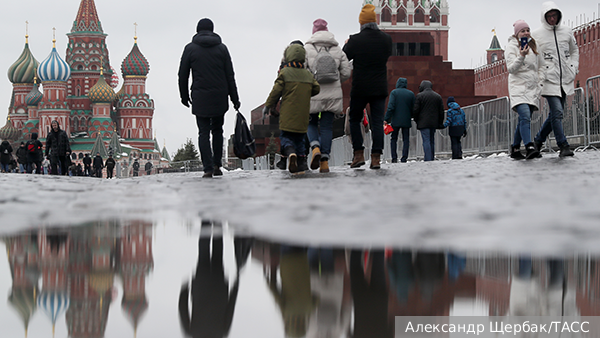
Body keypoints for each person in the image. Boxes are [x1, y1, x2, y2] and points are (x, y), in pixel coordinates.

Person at [178, 18, 241, 178]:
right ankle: (217, 164)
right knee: (218, 131)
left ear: (197, 30)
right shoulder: (222, 49)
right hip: (220, 96)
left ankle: (207, 168)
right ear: (212, 30)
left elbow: (182, 75)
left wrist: (184, 96)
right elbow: (230, 76)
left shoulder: (190, 49)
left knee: (203, 132)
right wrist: (235, 98)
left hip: (200, 96)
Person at [343, 4, 392, 169]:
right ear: (374, 21)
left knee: (355, 119)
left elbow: (344, 57)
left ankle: (358, 154)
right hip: (379, 87)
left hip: (360, 87)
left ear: (361, 22)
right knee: (377, 121)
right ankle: (376, 158)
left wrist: (348, 45)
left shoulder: (355, 40)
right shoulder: (386, 39)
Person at [263, 43, 320, 174]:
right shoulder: (307, 74)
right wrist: (305, 92)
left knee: (285, 137)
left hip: (287, 114)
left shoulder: (285, 73)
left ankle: (290, 152)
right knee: (300, 140)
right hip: (303, 115)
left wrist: (268, 105)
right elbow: (316, 88)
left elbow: (276, 91)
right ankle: (300, 164)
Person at [305, 18, 352, 173]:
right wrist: (335, 80)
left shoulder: (307, 48)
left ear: (314, 32)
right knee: (326, 127)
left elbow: (303, 71)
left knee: (310, 123)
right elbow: (346, 72)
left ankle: (315, 147)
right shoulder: (337, 49)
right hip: (333, 95)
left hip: (313, 94)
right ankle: (324, 162)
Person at [532, 2, 579, 157]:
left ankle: (538, 140)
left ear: (559, 15)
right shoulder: (537, 34)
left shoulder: (567, 32)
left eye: (554, 15)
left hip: (564, 79)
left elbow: (574, 50)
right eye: (549, 16)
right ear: (544, 17)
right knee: (557, 111)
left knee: (555, 114)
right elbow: (533, 56)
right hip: (548, 80)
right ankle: (563, 145)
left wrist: (573, 66)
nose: (552, 19)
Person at [507, 20, 544, 160]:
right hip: (518, 87)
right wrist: (521, 55)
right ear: (517, 34)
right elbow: (511, 68)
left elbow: (541, 66)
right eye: (522, 31)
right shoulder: (512, 47)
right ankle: (529, 146)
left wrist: (540, 84)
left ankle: (515, 148)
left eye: (528, 30)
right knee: (524, 115)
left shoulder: (534, 46)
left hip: (532, 88)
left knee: (525, 118)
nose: (526, 33)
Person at [384, 77, 415, 163]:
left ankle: (394, 158)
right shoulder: (411, 94)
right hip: (406, 120)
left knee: (394, 139)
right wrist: (411, 116)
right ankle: (404, 158)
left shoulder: (394, 93)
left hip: (395, 120)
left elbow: (390, 107)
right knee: (406, 139)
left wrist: (386, 118)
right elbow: (414, 108)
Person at [413, 80, 444, 161]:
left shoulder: (420, 96)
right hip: (434, 122)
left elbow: (416, 110)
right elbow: (441, 111)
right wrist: (440, 122)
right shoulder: (438, 96)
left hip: (423, 122)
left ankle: (428, 158)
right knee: (431, 140)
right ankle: (431, 157)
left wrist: (416, 120)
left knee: (426, 140)